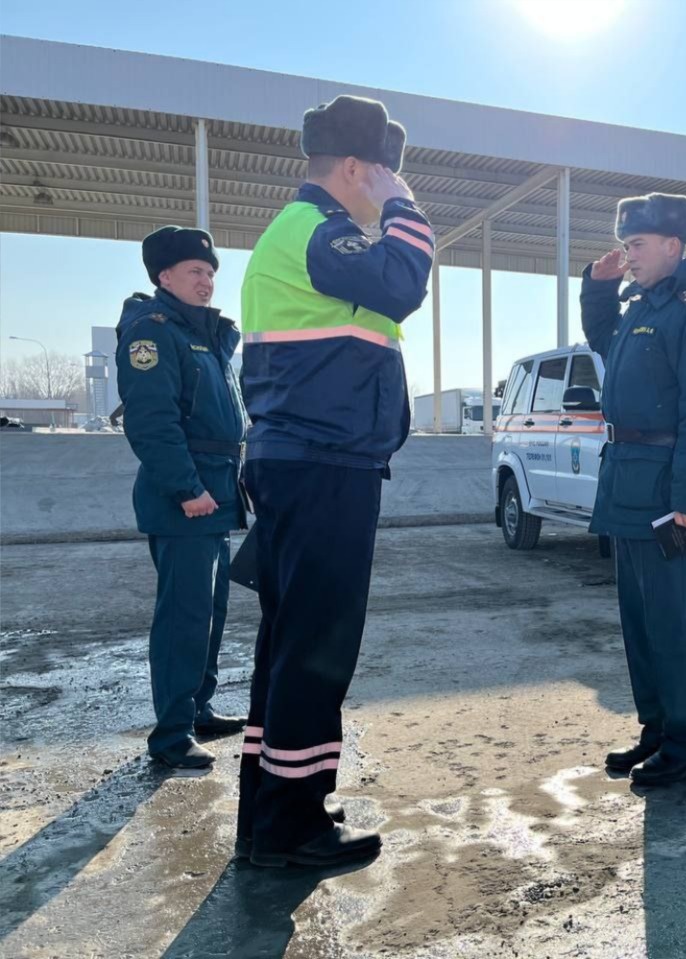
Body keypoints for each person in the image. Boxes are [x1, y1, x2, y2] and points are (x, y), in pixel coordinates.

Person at [236, 94, 434, 868]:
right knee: (317, 650)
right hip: (322, 465)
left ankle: (271, 810)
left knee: (290, 648)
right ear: (355, 166)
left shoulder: (307, 236)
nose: (390, 186)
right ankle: (290, 826)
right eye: (385, 172)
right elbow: (404, 282)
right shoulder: (320, 231)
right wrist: (405, 209)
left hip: (308, 461)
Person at [581, 193, 686, 787]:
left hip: (666, 489)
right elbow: (603, 339)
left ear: (673, 246)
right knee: (640, 622)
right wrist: (596, 288)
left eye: (637, 245)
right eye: (626, 244)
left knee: (673, 621)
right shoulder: (642, 307)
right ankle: (657, 730)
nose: (629, 255)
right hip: (626, 481)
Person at [115, 226, 249, 769]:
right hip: (187, 495)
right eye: (196, 271)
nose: (206, 281)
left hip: (215, 492)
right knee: (183, 617)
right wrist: (187, 487)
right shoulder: (154, 332)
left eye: (211, 272)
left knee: (210, 613)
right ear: (164, 276)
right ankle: (170, 736)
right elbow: (151, 422)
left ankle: (197, 709)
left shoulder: (207, 336)